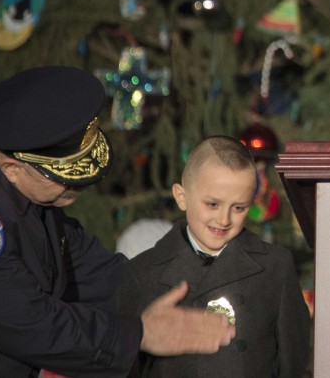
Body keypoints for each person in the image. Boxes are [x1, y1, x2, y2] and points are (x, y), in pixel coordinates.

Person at [0, 66, 235, 377]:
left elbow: (86, 268)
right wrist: (140, 335)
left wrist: (187, 295)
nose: (80, 188)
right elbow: (30, 323)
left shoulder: (21, 189)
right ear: (13, 167)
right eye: (66, 179)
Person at [116, 135, 312, 377]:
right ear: (181, 197)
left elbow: (292, 359)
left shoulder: (275, 266)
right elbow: (125, 364)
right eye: (212, 204)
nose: (224, 219)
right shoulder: (141, 273)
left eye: (238, 208)